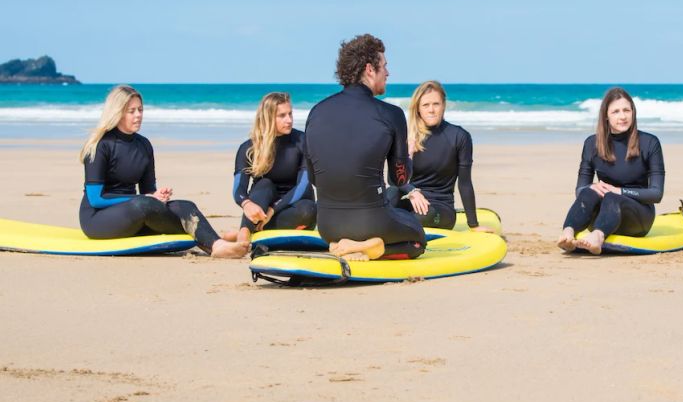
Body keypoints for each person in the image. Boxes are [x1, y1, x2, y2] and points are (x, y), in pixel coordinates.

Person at [79, 85, 249, 258]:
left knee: (185, 206)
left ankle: (216, 244)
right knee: (144, 205)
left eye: (140, 110)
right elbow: (96, 199)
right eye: (131, 111)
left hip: (135, 211)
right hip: (98, 218)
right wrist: (146, 199)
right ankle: (213, 239)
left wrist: (157, 195)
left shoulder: (144, 145)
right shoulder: (100, 145)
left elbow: (147, 192)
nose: (138, 115)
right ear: (117, 113)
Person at [304, 34, 426, 261]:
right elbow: (398, 180)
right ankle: (373, 247)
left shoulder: (316, 112)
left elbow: (314, 177)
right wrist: (407, 156)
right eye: (385, 66)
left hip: (328, 227)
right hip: (372, 223)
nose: (388, 73)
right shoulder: (391, 114)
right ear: (370, 69)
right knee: (418, 238)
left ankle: (347, 246)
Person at [557, 87, 665, 255]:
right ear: (606, 116)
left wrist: (619, 191)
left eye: (626, 110)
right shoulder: (591, 144)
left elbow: (656, 194)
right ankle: (568, 232)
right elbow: (580, 190)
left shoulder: (650, 143)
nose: (622, 116)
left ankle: (598, 237)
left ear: (633, 112)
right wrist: (591, 188)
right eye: (615, 111)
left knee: (612, 197)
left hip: (638, 219)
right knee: (589, 191)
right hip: (604, 216)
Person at [385, 80, 484, 230]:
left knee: (424, 214)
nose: (431, 110)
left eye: (436, 104)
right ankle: (386, 224)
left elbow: (464, 183)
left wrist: (473, 224)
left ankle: (391, 224)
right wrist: (407, 159)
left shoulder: (460, 137)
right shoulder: (407, 137)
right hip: (412, 198)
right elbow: (393, 181)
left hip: (440, 208)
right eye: (425, 105)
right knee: (390, 194)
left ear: (443, 105)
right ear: (418, 109)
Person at [233, 92, 316, 233]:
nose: (289, 120)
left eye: (290, 114)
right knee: (264, 184)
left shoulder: (302, 141)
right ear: (268, 118)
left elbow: (303, 186)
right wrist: (246, 204)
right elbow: (238, 189)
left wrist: (273, 209)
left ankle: (248, 231)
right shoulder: (249, 148)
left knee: (310, 209)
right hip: (263, 206)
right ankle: (244, 234)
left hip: (294, 207)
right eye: (282, 116)